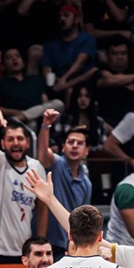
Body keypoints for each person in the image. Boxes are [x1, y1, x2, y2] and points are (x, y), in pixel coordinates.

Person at [0, 109, 48, 263]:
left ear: (28, 143)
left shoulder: (36, 167)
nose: (15, 143)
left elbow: (43, 205)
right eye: (10, 139)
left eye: (20, 138)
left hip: (23, 249)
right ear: (3, 144)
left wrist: (41, 240)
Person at [37, 110, 92, 259]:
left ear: (86, 151)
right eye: (70, 142)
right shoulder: (57, 164)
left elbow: (82, 218)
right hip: (45, 245)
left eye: (79, 143)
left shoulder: (86, 183)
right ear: (63, 147)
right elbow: (42, 155)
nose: (74, 146)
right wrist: (45, 126)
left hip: (70, 247)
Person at [42, 5, 98, 96]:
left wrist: (65, 81)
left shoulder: (87, 39)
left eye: (66, 15)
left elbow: (80, 63)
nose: (62, 19)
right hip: (58, 85)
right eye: (60, 17)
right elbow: (47, 70)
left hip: (82, 84)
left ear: (77, 20)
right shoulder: (51, 45)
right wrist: (54, 80)